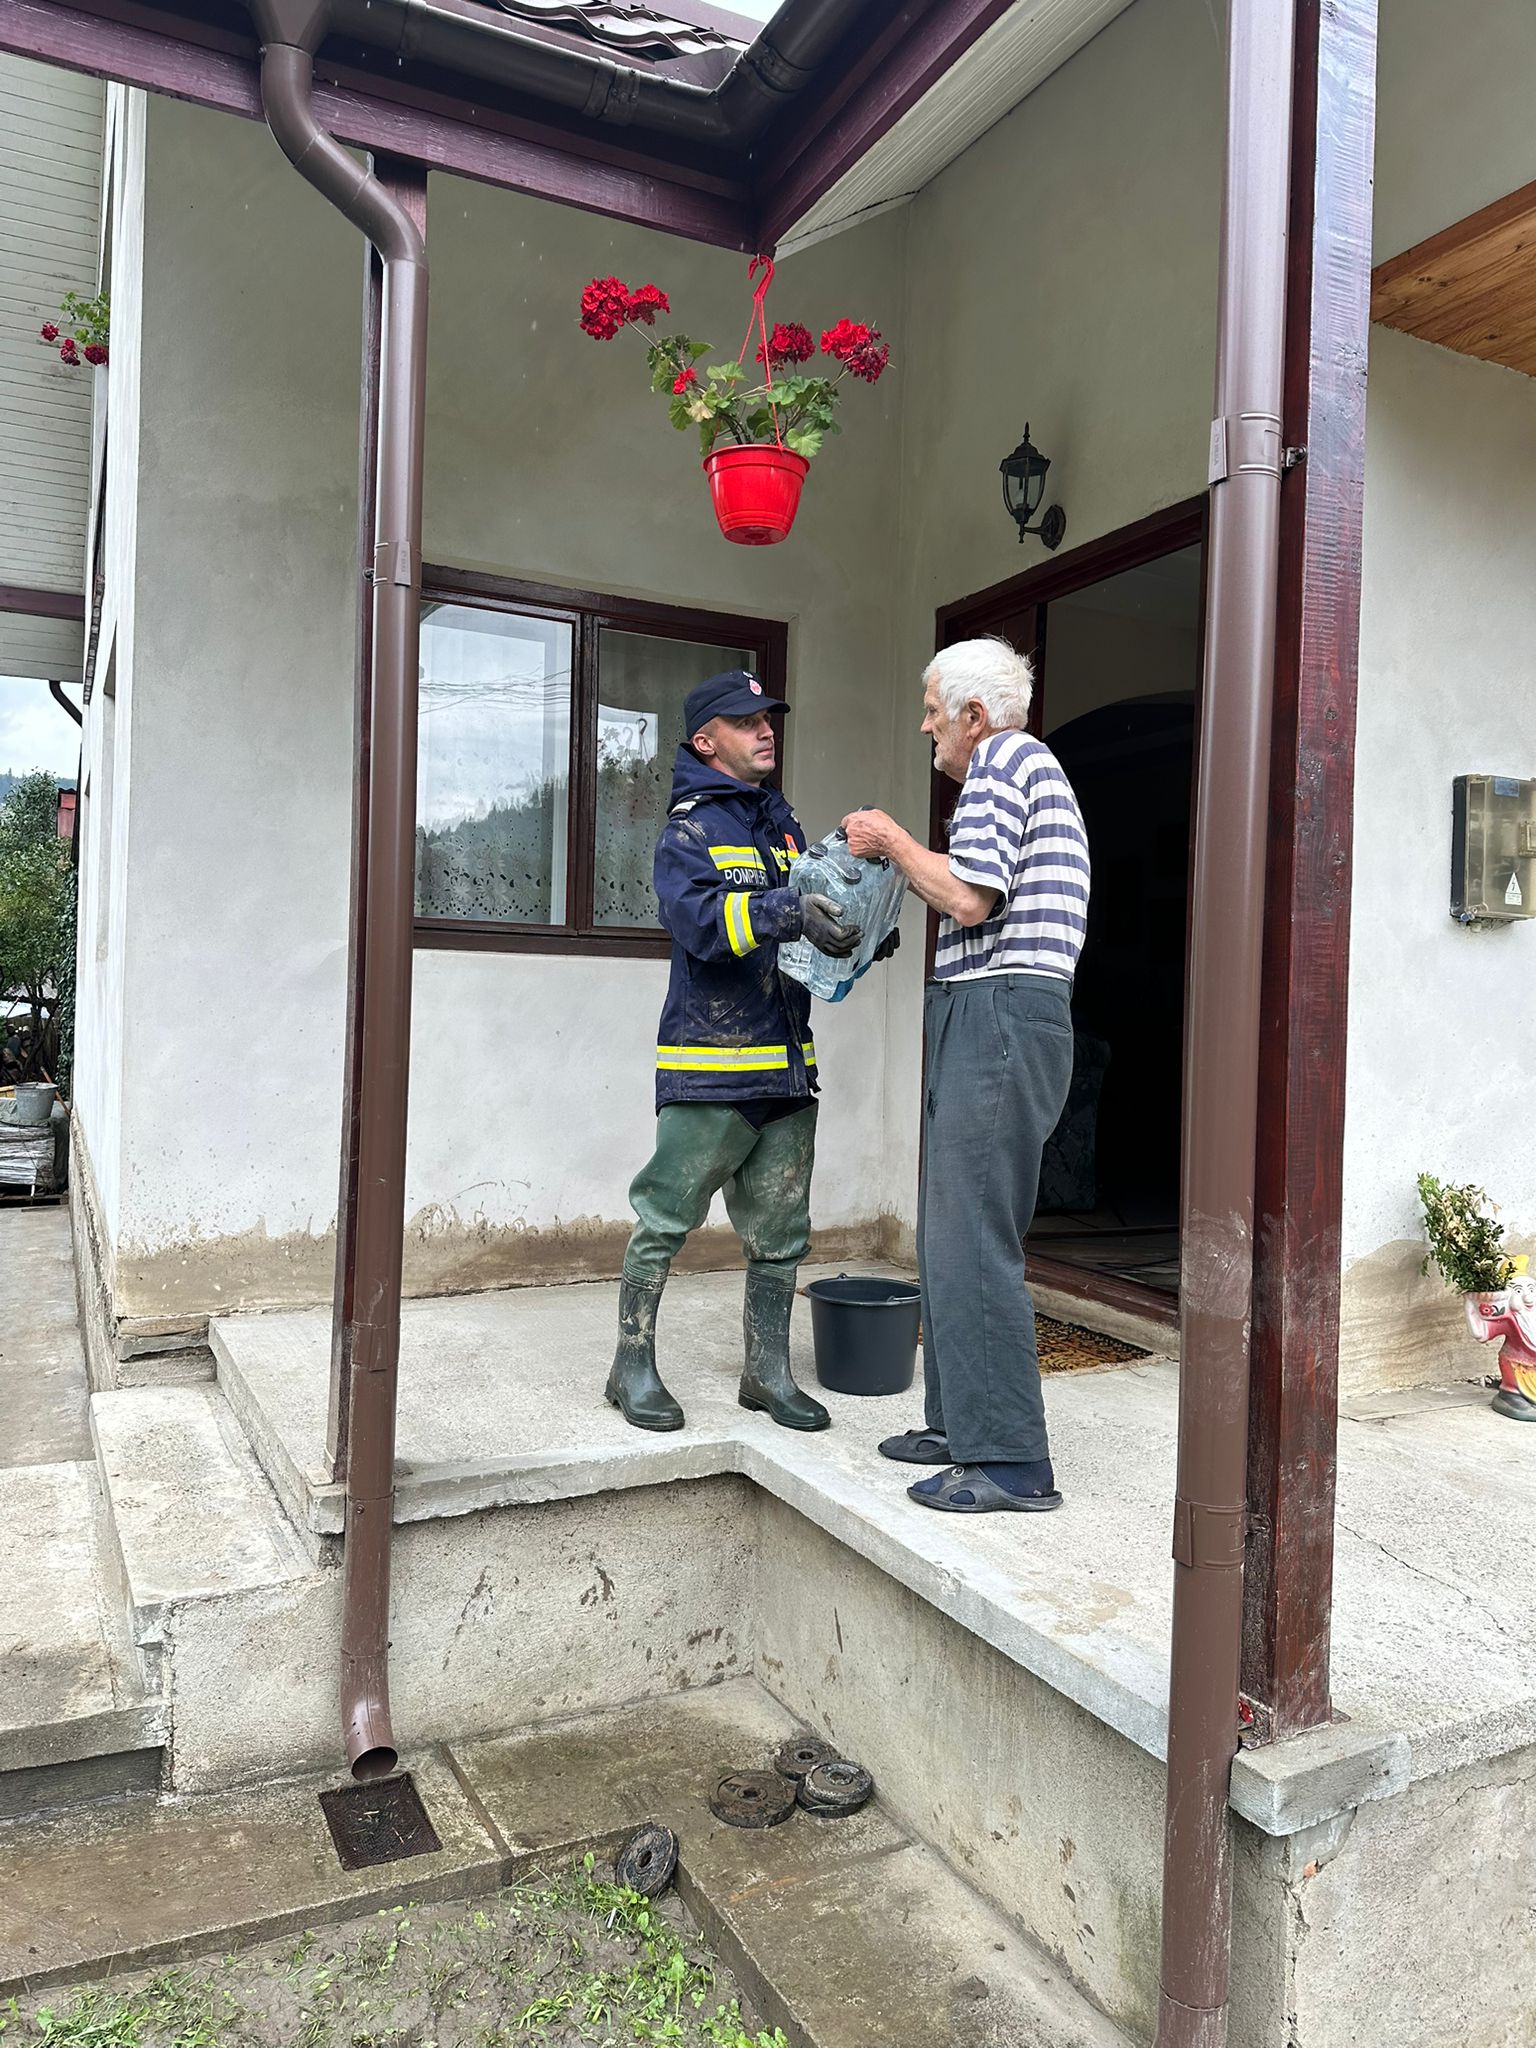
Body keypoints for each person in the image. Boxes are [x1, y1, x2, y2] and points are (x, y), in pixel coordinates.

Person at [843, 637, 1090, 1514]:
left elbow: (968, 897)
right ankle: (959, 1428)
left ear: (974, 717)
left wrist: (890, 840)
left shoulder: (1002, 761)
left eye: (933, 711)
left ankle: (1011, 1463)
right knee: (950, 1233)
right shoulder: (1019, 769)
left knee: (975, 1236)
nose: (926, 727)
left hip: (999, 1012)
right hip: (987, 1010)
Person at [607, 668, 871, 1435]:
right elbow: (700, 924)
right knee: (664, 1220)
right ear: (705, 740)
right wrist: (790, 910)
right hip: (711, 1074)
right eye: (746, 720)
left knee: (781, 1237)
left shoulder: (782, 827)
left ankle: (768, 1374)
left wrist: (856, 934)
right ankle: (630, 1367)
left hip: (787, 1070)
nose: (765, 729)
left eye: (768, 718)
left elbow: (804, 927)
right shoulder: (688, 832)